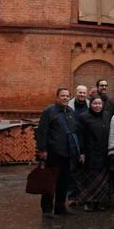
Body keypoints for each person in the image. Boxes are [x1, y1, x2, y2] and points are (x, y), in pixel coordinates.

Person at [36, 86, 79, 219]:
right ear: (57, 97)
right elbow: (42, 131)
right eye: (63, 96)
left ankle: (60, 207)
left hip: (67, 153)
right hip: (53, 153)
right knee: (50, 182)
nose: (65, 98)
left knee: (64, 182)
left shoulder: (70, 111)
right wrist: (42, 150)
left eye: (67, 96)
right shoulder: (49, 111)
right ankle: (47, 209)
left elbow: (73, 131)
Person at [77, 96, 111, 212]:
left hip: (104, 152)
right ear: (90, 104)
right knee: (91, 179)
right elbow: (80, 136)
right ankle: (89, 202)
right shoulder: (84, 117)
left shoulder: (107, 115)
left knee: (103, 179)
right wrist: (81, 152)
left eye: (99, 104)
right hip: (90, 152)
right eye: (95, 104)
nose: (97, 106)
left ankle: (100, 202)